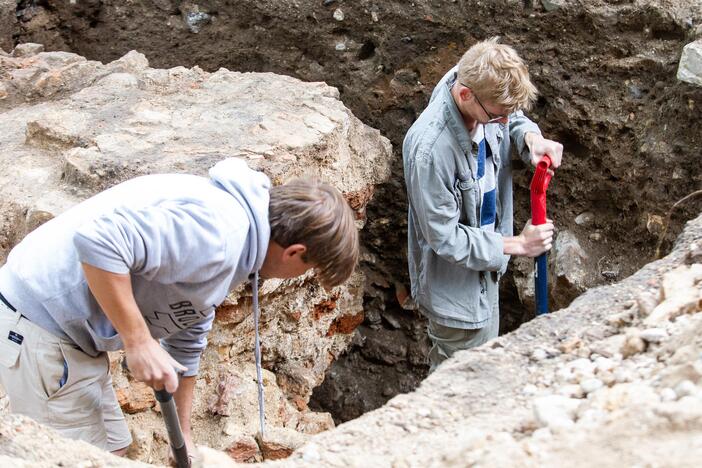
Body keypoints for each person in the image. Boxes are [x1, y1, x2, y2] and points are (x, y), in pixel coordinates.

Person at [0, 158, 358, 455]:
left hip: (67, 336)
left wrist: (183, 435)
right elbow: (98, 242)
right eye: (307, 269)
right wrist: (139, 341)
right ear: (295, 252)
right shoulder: (220, 232)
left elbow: (189, 331)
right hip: (38, 322)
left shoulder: (239, 246)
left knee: (114, 453)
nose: (295, 276)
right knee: (77, 461)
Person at [402, 37, 563, 370]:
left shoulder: (473, 82)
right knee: (459, 379)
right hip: (456, 293)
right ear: (465, 95)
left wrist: (530, 137)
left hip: (485, 272)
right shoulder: (430, 152)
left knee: (482, 365)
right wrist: (518, 244)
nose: (503, 123)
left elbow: (511, 115)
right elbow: (444, 237)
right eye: (497, 117)